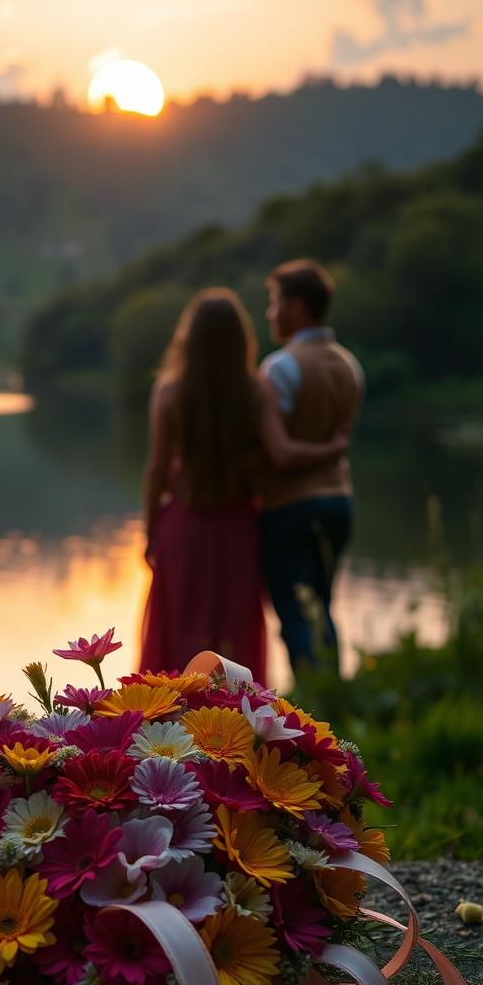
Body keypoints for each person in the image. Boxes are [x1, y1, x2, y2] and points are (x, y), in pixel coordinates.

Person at [140, 287, 348, 682]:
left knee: (180, 631)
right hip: (238, 528)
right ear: (242, 340)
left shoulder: (169, 391)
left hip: (183, 527)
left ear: (190, 338)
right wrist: (332, 447)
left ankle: (165, 732)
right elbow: (277, 454)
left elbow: (155, 470)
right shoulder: (256, 390)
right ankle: (237, 731)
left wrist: (150, 533)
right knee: (233, 635)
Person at [258, 259, 364, 672]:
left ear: (296, 307)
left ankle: (309, 712)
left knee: (295, 613)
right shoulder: (350, 365)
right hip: (340, 501)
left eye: (274, 302)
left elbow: (279, 453)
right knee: (323, 606)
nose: (269, 313)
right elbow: (339, 440)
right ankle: (334, 703)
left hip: (291, 507)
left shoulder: (280, 367)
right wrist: (333, 451)